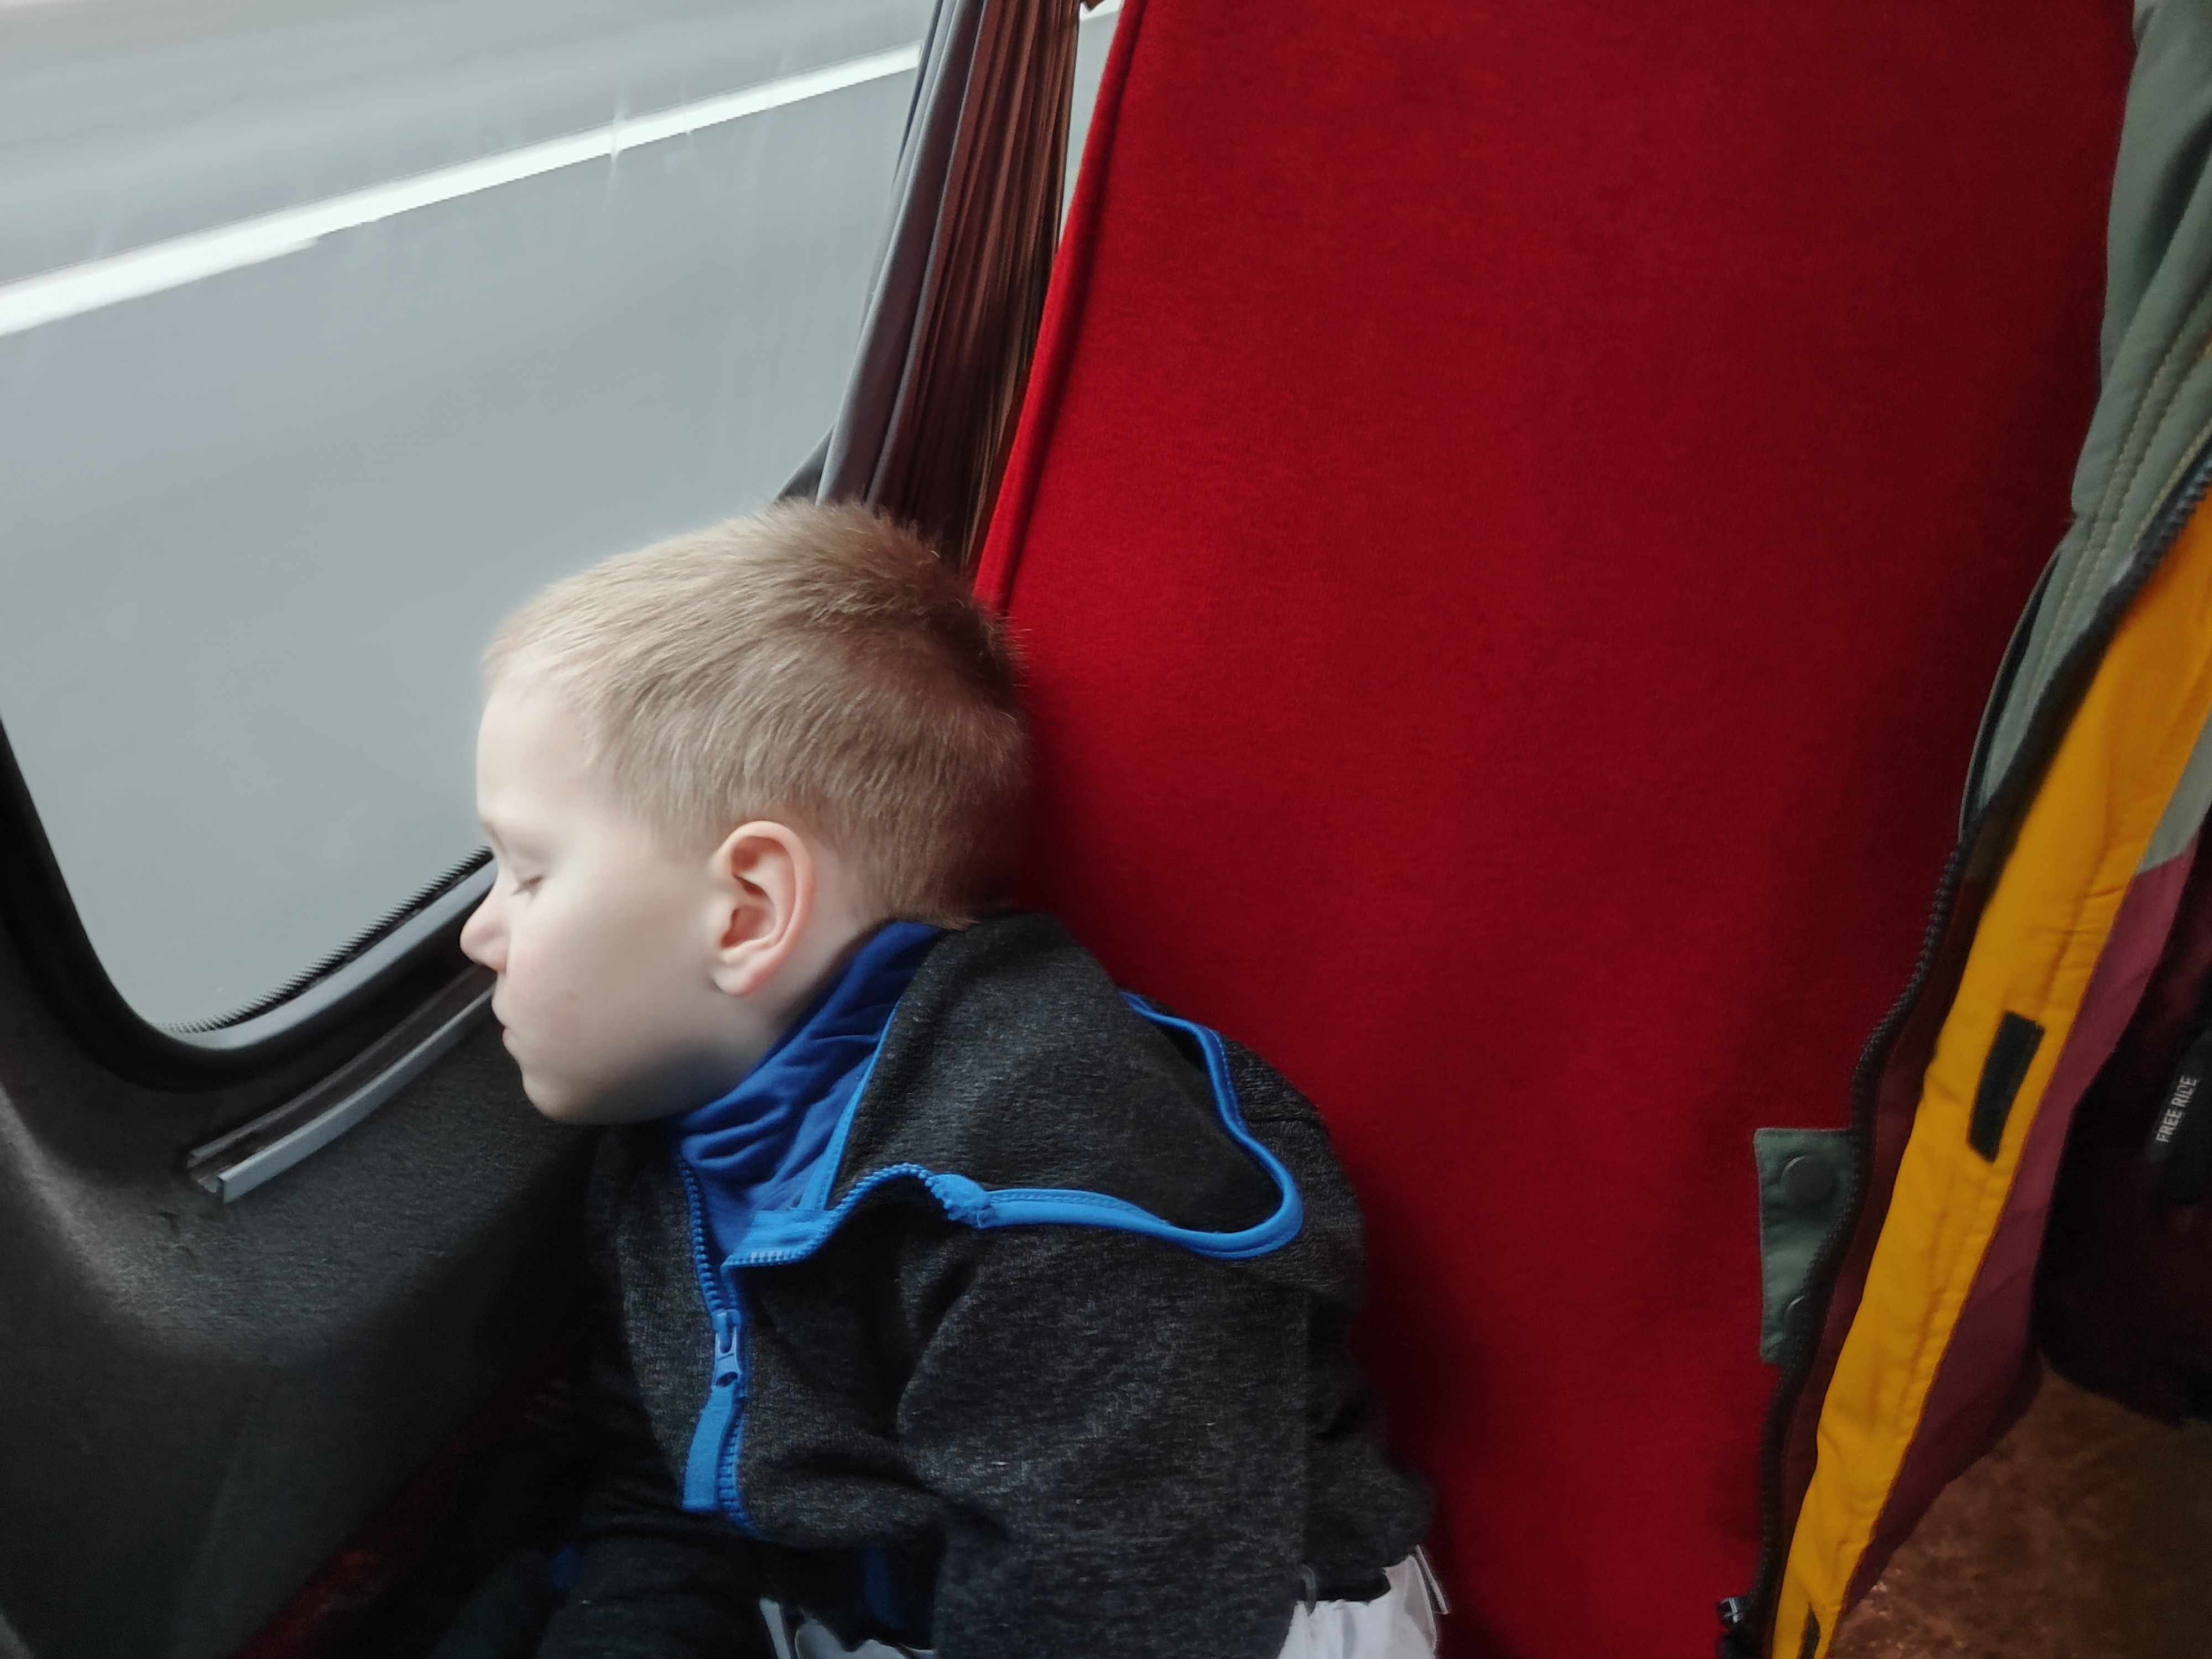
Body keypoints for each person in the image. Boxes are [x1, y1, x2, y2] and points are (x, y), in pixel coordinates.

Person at [459, 500, 1437, 1659]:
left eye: (526, 873)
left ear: (748, 911)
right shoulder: (669, 1153)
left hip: (1218, 1613)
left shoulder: (1054, 1195)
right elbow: (673, 1490)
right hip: (897, 1597)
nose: (478, 933)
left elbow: (1113, 1606)